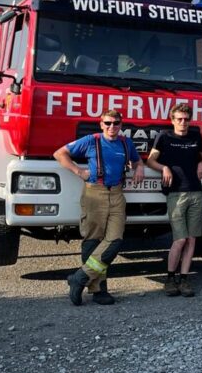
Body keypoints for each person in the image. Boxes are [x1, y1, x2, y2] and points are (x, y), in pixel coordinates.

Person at [54, 109, 144, 306]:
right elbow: (60, 153)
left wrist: (140, 167)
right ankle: (99, 290)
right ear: (101, 124)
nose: (112, 127)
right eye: (108, 123)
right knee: (93, 241)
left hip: (117, 194)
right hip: (95, 193)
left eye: (116, 123)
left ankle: (80, 277)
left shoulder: (125, 143)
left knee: (115, 240)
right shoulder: (90, 141)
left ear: (121, 125)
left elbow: (137, 160)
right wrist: (78, 171)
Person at [145, 104, 202, 297]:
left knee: (191, 239)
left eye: (186, 119)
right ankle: (170, 278)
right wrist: (163, 168)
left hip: (196, 193)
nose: (183, 122)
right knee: (179, 239)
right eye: (179, 119)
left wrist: (201, 163)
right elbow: (150, 160)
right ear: (172, 120)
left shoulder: (195, 136)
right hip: (175, 194)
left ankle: (185, 279)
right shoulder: (164, 136)